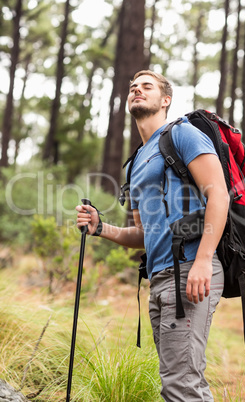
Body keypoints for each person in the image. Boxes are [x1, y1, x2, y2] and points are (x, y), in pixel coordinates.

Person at [76, 70, 229, 401]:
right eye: (133, 87)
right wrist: (101, 228)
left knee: (180, 383)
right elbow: (144, 233)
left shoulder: (182, 135)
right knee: (178, 378)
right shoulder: (135, 164)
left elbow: (219, 195)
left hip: (190, 269)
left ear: (165, 100)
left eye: (147, 86)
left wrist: (203, 260)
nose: (136, 90)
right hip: (160, 279)